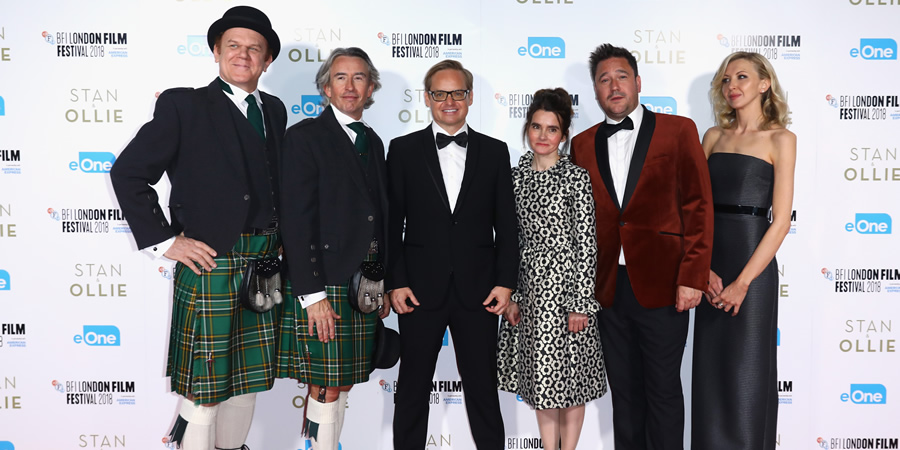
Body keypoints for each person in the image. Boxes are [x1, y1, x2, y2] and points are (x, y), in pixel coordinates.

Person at [109, 6, 285, 449]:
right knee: (205, 385)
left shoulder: (276, 111)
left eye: (254, 49)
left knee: (246, 381)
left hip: (265, 261)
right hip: (211, 262)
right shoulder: (183, 104)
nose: (243, 55)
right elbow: (128, 173)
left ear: (266, 61)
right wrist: (165, 240)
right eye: (233, 46)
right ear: (216, 52)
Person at [570, 43, 714, 450]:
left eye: (620, 76)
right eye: (603, 80)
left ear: (637, 82)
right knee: (625, 393)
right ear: (596, 92)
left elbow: (699, 208)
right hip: (608, 290)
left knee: (664, 391)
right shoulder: (582, 144)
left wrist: (693, 277)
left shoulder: (679, 129)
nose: (613, 86)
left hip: (666, 284)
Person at [386, 59, 517, 450]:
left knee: (483, 391)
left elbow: (507, 227)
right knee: (411, 390)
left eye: (457, 92)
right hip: (418, 291)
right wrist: (397, 282)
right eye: (440, 93)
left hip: (479, 292)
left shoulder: (495, 152)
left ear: (470, 97)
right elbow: (393, 227)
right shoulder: (403, 149)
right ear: (427, 98)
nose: (449, 101)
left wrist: (505, 282)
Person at [275, 47, 390, 450]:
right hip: (326, 283)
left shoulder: (373, 141)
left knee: (341, 382)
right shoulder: (305, 137)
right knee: (324, 384)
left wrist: (383, 284)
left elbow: (381, 218)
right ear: (326, 87)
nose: (350, 85)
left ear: (371, 86)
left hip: (365, 285)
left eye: (359, 77)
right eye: (340, 77)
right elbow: (296, 219)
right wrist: (313, 296)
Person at [691, 52, 795, 450]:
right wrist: (701, 269)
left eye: (742, 77)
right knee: (711, 378)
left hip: (752, 268)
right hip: (710, 267)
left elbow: (781, 221)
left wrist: (741, 283)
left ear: (764, 84)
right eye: (725, 79)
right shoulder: (713, 136)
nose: (731, 85)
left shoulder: (781, 139)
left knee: (746, 376)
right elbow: (694, 210)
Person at [496, 88, 607, 450]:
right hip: (529, 291)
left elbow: (587, 243)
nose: (543, 136)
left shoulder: (576, 177)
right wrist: (511, 295)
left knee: (572, 380)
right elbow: (508, 244)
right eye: (536, 127)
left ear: (564, 134)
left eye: (552, 129)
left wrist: (580, 302)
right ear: (527, 129)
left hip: (568, 290)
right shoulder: (514, 179)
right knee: (541, 380)